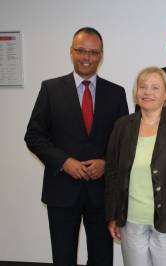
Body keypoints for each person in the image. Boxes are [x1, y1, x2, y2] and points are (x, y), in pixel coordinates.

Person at [24, 27, 128, 266]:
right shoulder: (50, 89)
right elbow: (33, 135)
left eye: (93, 52)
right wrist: (63, 161)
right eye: (81, 50)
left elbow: (124, 142)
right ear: (71, 52)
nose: (86, 57)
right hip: (61, 191)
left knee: (102, 258)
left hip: (102, 193)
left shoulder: (116, 93)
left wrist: (106, 163)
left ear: (101, 55)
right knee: (63, 257)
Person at [105, 67, 166, 266]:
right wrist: (113, 215)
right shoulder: (122, 126)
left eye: (155, 88)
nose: (147, 92)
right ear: (136, 92)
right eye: (143, 87)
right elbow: (112, 173)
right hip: (131, 222)